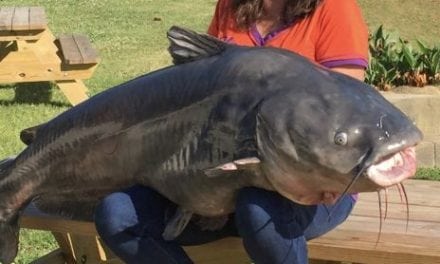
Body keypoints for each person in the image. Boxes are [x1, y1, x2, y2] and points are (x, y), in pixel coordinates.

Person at [94, 0, 369, 263]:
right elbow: (202, 93)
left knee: (256, 209)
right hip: (209, 192)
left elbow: (347, 113)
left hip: (308, 193)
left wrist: (330, 178)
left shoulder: (334, 8)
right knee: (118, 215)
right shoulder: (231, 5)